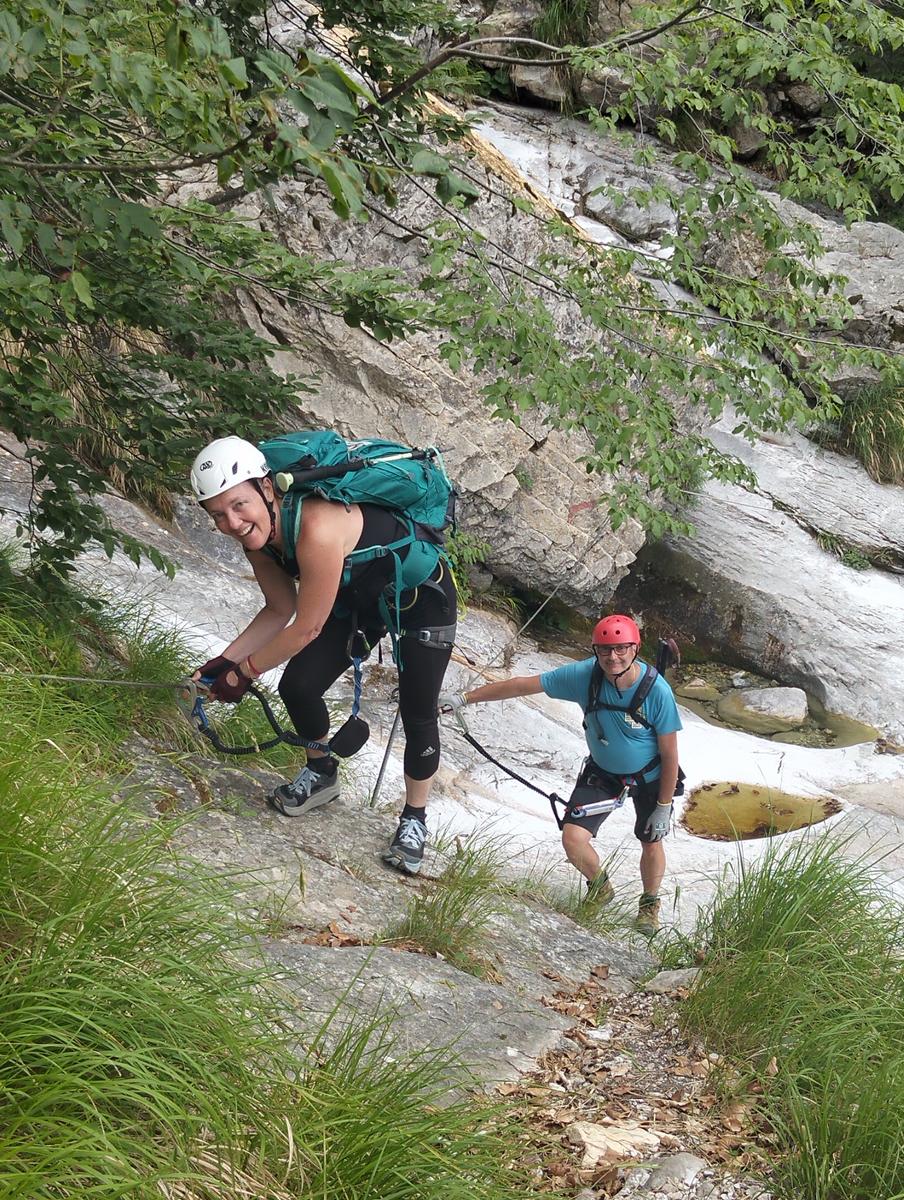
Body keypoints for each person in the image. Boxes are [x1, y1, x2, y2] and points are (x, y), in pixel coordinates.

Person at [188, 435, 457, 876]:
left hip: (421, 597)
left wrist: (245, 673)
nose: (232, 522)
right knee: (299, 686)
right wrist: (220, 665)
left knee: (417, 710)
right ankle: (322, 772)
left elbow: (307, 626)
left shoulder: (316, 527)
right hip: (357, 600)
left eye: (239, 505)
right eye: (218, 514)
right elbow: (280, 609)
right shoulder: (259, 538)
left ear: (266, 489)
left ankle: (414, 819)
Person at [439, 614, 681, 936]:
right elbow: (523, 685)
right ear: (595, 650)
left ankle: (649, 904)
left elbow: (669, 754)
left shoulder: (657, 692)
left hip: (651, 777)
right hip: (604, 773)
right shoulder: (584, 676)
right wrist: (464, 698)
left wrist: (663, 806)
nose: (613, 657)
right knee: (573, 838)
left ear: (635, 648)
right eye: (605, 650)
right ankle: (599, 887)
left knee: (651, 841)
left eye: (621, 649)